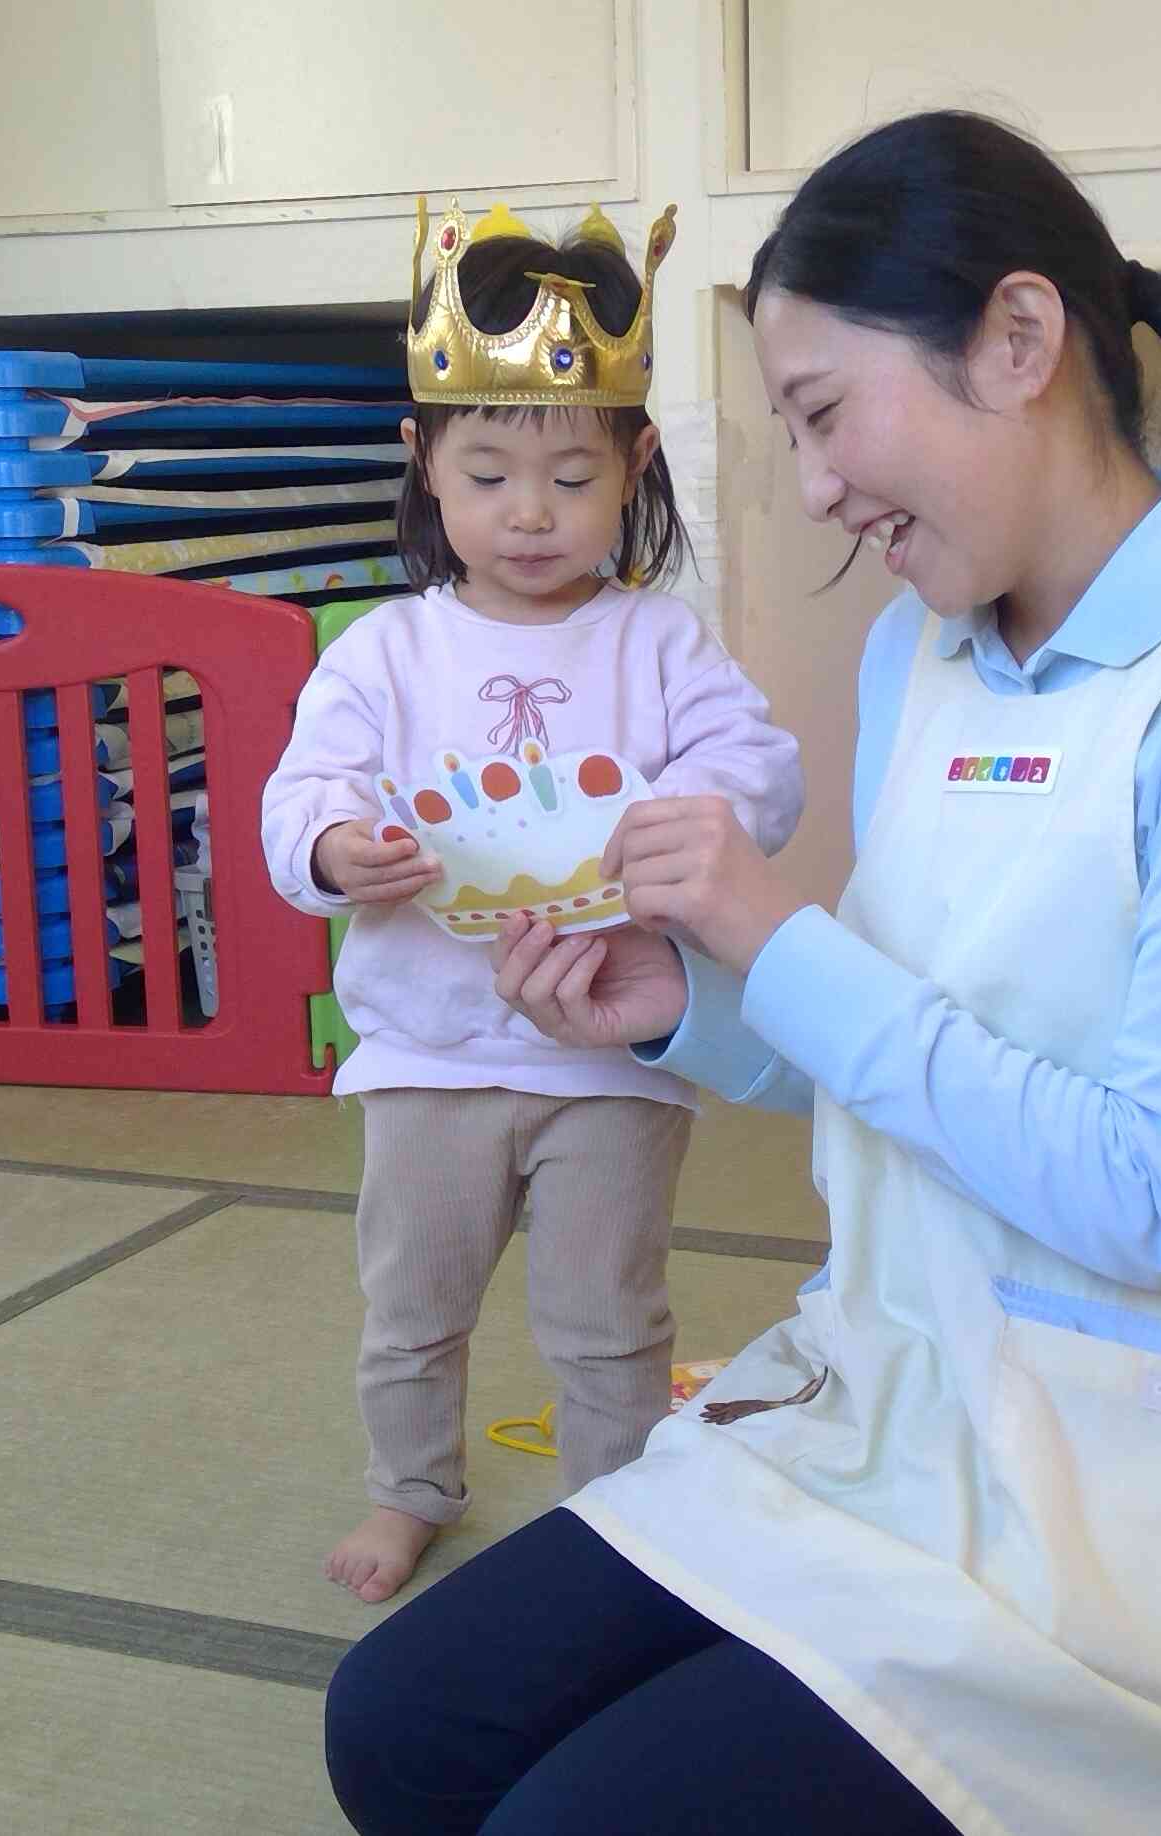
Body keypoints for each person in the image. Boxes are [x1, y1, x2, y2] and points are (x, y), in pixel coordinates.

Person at [323, 112, 1161, 1834]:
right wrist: (685, 1007)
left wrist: (772, 936)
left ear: (1018, 343)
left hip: (1130, 1492)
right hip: (891, 1398)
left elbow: (1153, 1195)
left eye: (820, 411)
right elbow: (902, 1044)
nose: (816, 489)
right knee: (401, 1734)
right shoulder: (925, 648)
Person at [261, 197, 805, 1606]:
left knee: (609, 1325)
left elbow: (758, 765)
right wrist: (334, 852)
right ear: (424, 466)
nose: (529, 513)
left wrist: (700, 825)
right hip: (427, 1058)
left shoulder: (659, 639)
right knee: (410, 1312)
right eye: (490, 472)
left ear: (633, 465)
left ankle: (616, 1523)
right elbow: (298, 790)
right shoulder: (384, 653)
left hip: (610, 1065)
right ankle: (410, 1490)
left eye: (569, 477)